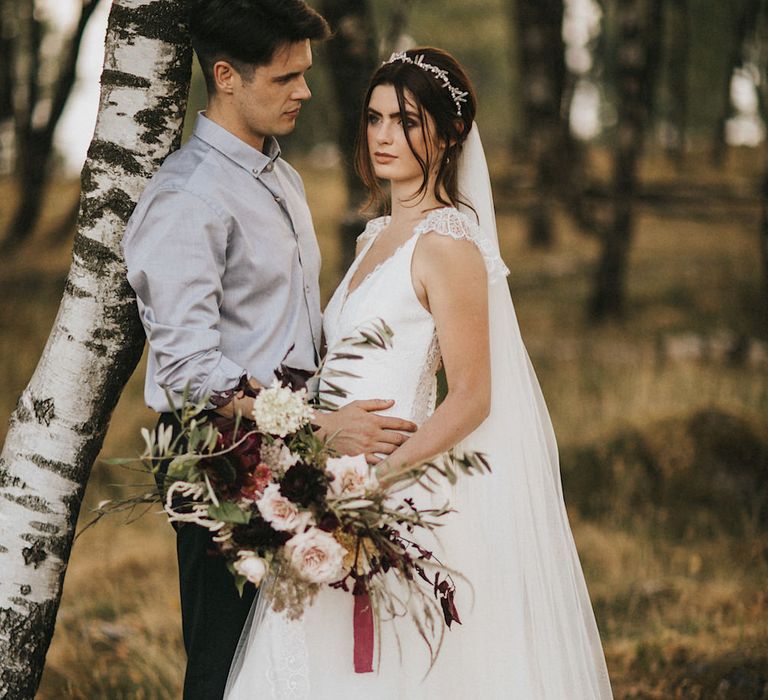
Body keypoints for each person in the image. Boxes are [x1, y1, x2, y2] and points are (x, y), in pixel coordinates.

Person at [224, 47, 614, 698]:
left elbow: (471, 397)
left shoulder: (450, 246)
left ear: (450, 133)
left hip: (394, 492)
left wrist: (373, 483)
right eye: (374, 118)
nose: (383, 136)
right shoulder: (372, 236)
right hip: (332, 485)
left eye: (405, 121)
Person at [121, 3, 417, 698]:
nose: (305, 92)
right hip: (219, 456)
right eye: (286, 77)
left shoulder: (276, 174)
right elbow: (191, 376)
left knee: (286, 665)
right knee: (225, 667)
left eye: (306, 74)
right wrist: (320, 426)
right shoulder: (186, 199)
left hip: (295, 451)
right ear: (226, 76)